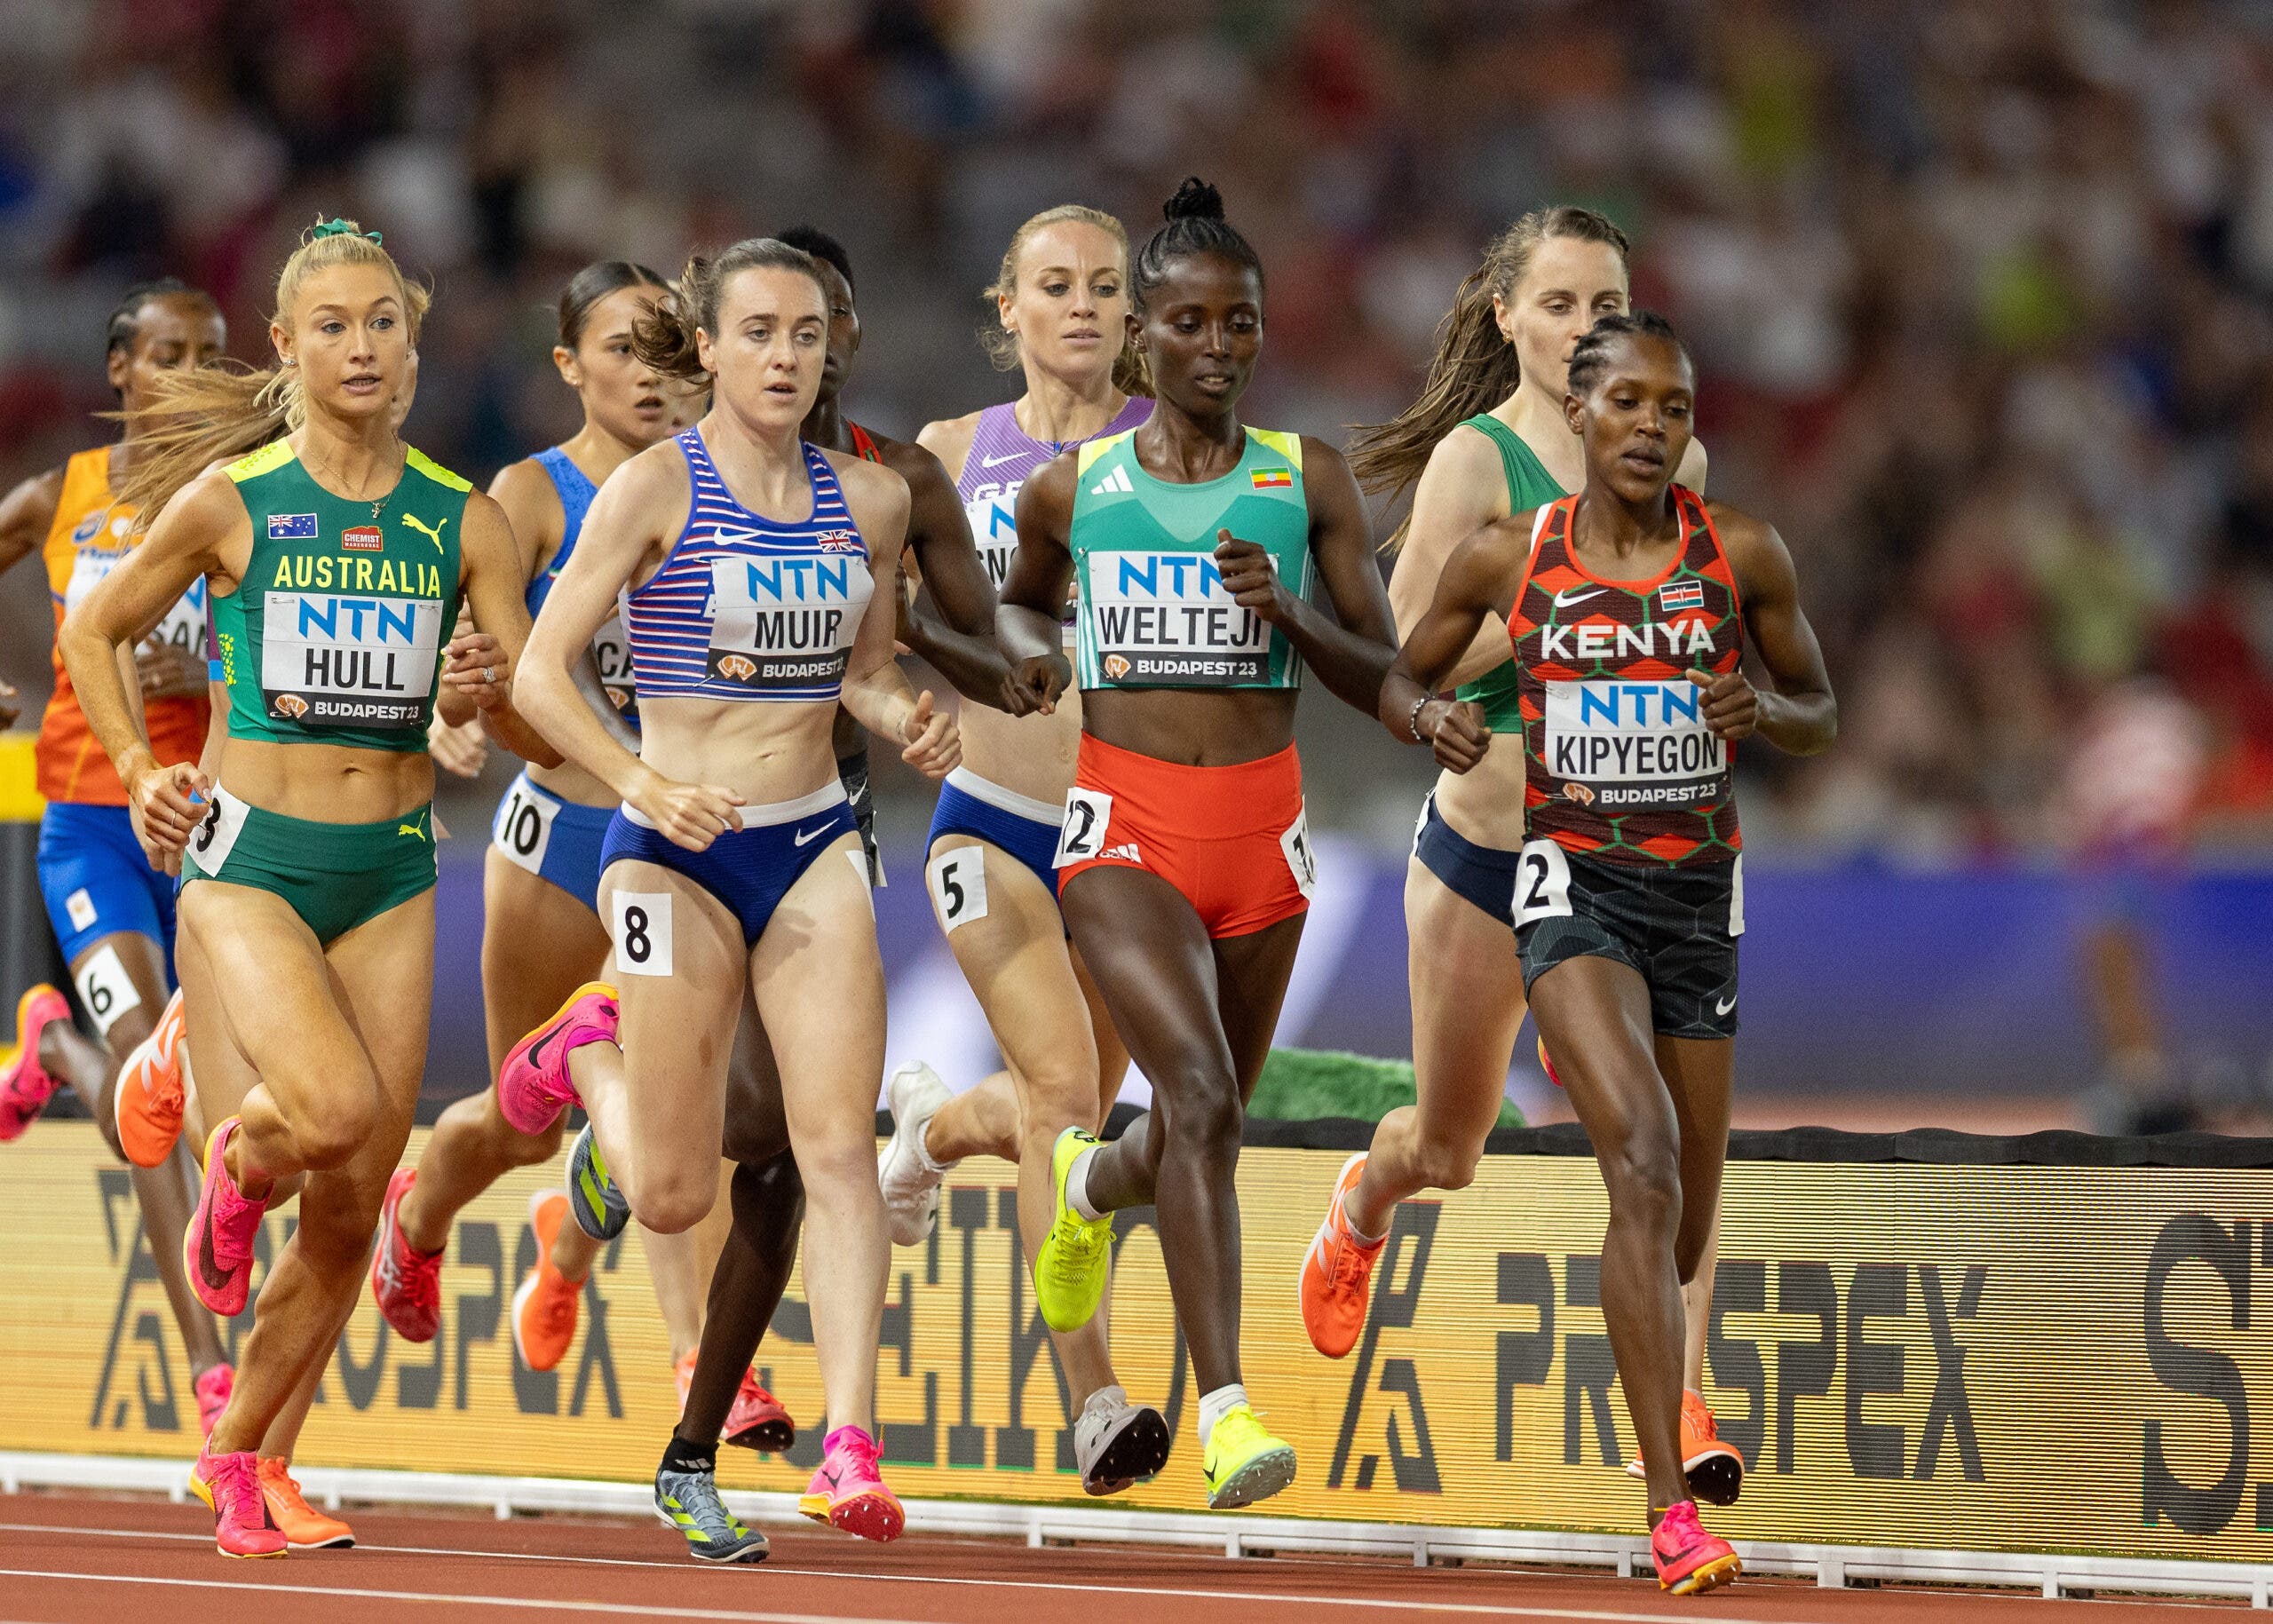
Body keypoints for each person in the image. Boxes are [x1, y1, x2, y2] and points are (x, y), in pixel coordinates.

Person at [59, 217, 558, 1559]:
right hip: (248, 863)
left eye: (383, 322)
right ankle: (238, 1159)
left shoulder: (467, 517)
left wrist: (486, 695)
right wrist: (131, 767)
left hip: (393, 870)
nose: (361, 346)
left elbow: (535, 722)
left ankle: (241, 1459)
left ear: (413, 341)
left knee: (353, 1197)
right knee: (330, 1113)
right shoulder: (237, 500)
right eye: (331, 325)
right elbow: (91, 628)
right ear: (283, 347)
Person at [500, 236, 957, 1544]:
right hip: (672, 849)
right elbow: (541, 674)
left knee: (833, 1145)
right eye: (757, 333)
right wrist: (638, 777)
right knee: (675, 1196)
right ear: (705, 346)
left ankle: (852, 1443)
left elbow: (863, 674)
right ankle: (588, 1063)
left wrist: (908, 714)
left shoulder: (866, 502)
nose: (784, 358)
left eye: (806, 335)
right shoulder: (653, 486)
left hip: (809, 836)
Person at [1378, 311, 1835, 1594]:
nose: (1649, 427)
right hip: (1572, 886)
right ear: (1576, 417)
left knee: (1680, 1219)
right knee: (1634, 1155)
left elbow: (1820, 710)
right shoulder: (1507, 554)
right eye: (1626, 403)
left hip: (1701, 901)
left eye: (1673, 410)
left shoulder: (1739, 552)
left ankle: (1658, 1420)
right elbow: (1394, 675)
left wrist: (1767, 710)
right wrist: (1434, 719)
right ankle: (1667, 1506)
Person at [1311, 207, 1739, 1506]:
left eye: (1603, 305)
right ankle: (1363, 1203)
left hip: (1632, 857)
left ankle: (1675, 1396)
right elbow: (1402, 662)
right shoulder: (1475, 464)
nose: (1580, 330)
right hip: (1489, 852)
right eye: (1556, 306)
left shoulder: (1684, 457)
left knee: (1660, 1144)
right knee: (1450, 1144)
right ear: (1507, 316)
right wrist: (1553, 607)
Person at [997, 179, 1398, 1510]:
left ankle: (1085, 1185)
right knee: (1208, 1101)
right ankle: (1224, 1409)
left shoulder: (1306, 478)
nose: (1217, 346)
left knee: (1184, 1128)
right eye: (1187, 323)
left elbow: (1378, 673)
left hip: (1262, 842)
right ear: (1140, 344)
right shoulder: (1076, 487)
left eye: (1240, 323)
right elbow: (1016, 618)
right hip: (1124, 831)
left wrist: (1285, 609)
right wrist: (1015, 667)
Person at [362, 261, 789, 1447]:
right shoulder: (530, 494)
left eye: (667, 351)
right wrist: (458, 714)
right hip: (562, 831)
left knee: (677, 1111)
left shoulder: (729, 482)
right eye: (620, 353)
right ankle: (425, 1206)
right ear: (568, 367)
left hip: (688, 833)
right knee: (525, 1120)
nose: (650, 377)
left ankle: (707, 1361)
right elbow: (476, 666)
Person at [872, 202, 1168, 1493]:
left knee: (1075, 1117)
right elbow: (871, 613)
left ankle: (930, 1135)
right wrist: (903, 705)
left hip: (1129, 822)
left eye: (1107, 287)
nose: (1085, 307)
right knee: (1061, 1097)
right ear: (1010, 310)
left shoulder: (1174, 451)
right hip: (990, 817)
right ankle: (1094, 1396)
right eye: (1057, 286)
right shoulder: (945, 452)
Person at [0, 278, 236, 1441]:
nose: (189, 372)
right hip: (94, 823)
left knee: (212, 1096)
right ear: (118, 370)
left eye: (210, 354)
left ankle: (46, 1039)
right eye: (167, 353)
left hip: (210, 829)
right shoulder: (63, 497)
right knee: (152, 1067)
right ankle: (209, 1371)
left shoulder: (248, 506)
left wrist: (209, 682)